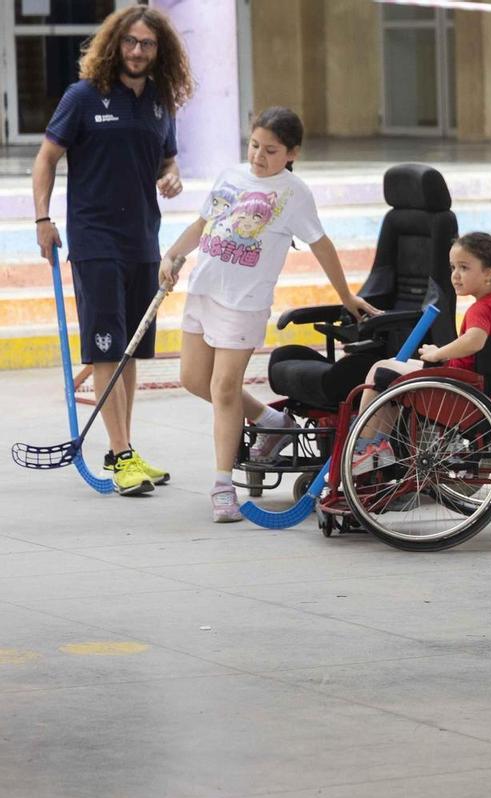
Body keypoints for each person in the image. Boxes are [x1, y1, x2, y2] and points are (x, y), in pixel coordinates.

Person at [158, 107, 379, 522]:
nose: (259, 156)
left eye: (271, 150)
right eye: (255, 145)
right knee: (193, 379)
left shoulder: (294, 194)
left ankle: (223, 488)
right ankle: (271, 419)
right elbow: (202, 225)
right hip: (203, 292)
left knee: (224, 389)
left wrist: (346, 295)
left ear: (292, 153)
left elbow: (322, 245)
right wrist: (172, 254)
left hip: (244, 303)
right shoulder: (230, 176)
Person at [32, 6, 194, 496]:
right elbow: (45, 159)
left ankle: (124, 449)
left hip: (144, 240)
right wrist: (42, 219)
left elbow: (167, 161)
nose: (138, 51)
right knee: (106, 350)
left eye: (147, 44)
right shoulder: (83, 97)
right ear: (114, 45)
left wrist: (172, 177)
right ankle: (121, 455)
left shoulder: (162, 102)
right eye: (130, 42)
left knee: (129, 353)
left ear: (158, 50)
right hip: (95, 239)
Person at [349, 232, 491, 475]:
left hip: (459, 387)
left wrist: (438, 353)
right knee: (389, 369)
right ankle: (376, 446)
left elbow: (475, 340)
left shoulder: (481, 308)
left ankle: (368, 448)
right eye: (453, 267)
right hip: (482, 384)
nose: (455, 275)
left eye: (464, 267)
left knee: (380, 371)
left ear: (490, 272)